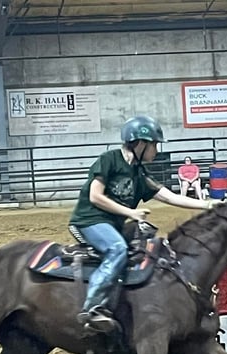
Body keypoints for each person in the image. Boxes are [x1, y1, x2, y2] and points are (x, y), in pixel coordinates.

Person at [68, 115, 213, 334]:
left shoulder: (139, 174)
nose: (156, 150)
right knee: (117, 249)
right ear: (140, 143)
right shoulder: (109, 160)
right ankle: (92, 309)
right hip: (89, 221)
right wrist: (131, 213)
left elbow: (169, 197)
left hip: (112, 225)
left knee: (149, 243)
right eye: (154, 144)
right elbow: (95, 196)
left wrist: (208, 205)